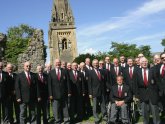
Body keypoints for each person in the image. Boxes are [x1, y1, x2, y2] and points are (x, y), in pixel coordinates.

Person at [136, 57, 160, 124]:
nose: (144, 63)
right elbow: (135, 85)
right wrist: (137, 95)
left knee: (155, 113)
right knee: (145, 113)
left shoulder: (152, 70)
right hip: (142, 96)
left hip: (153, 95)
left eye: (146, 61)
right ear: (140, 63)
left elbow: (157, 82)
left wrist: (158, 93)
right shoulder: (137, 72)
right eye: (143, 62)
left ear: (148, 62)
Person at [48, 59, 70, 124]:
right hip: (54, 95)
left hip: (64, 93)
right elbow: (49, 85)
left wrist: (69, 92)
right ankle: (57, 121)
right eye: (57, 63)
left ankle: (66, 120)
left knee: (65, 108)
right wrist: (50, 94)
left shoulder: (65, 71)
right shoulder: (51, 72)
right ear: (54, 63)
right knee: (56, 109)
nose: (58, 64)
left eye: (59, 63)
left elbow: (67, 83)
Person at [88, 59, 107, 124]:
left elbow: (104, 82)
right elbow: (89, 83)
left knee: (103, 105)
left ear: (98, 64)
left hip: (102, 91)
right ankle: (96, 119)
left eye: (97, 63)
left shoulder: (101, 71)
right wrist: (90, 93)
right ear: (92, 64)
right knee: (95, 107)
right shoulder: (90, 72)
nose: (96, 64)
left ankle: (104, 117)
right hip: (94, 92)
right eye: (94, 63)